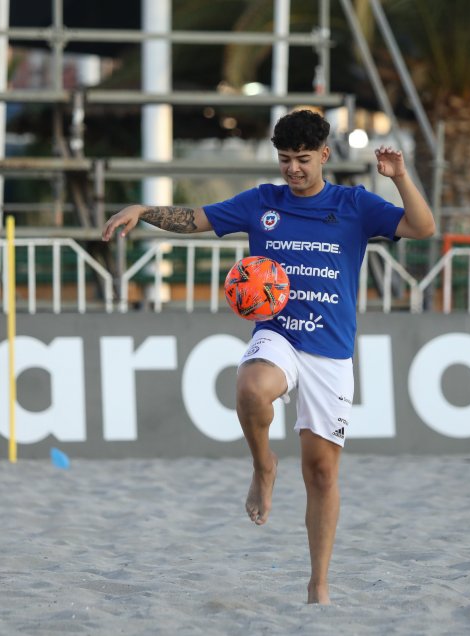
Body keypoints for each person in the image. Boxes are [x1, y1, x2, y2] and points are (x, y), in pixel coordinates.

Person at [101, 109, 435, 604]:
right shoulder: (262, 202)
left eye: (302, 159)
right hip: (278, 333)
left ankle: (318, 583)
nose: (293, 169)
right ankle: (263, 467)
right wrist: (142, 210)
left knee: (321, 473)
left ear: (324, 154)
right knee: (251, 387)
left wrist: (401, 177)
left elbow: (422, 227)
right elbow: (196, 219)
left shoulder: (354, 205)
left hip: (331, 350)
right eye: (284, 159)